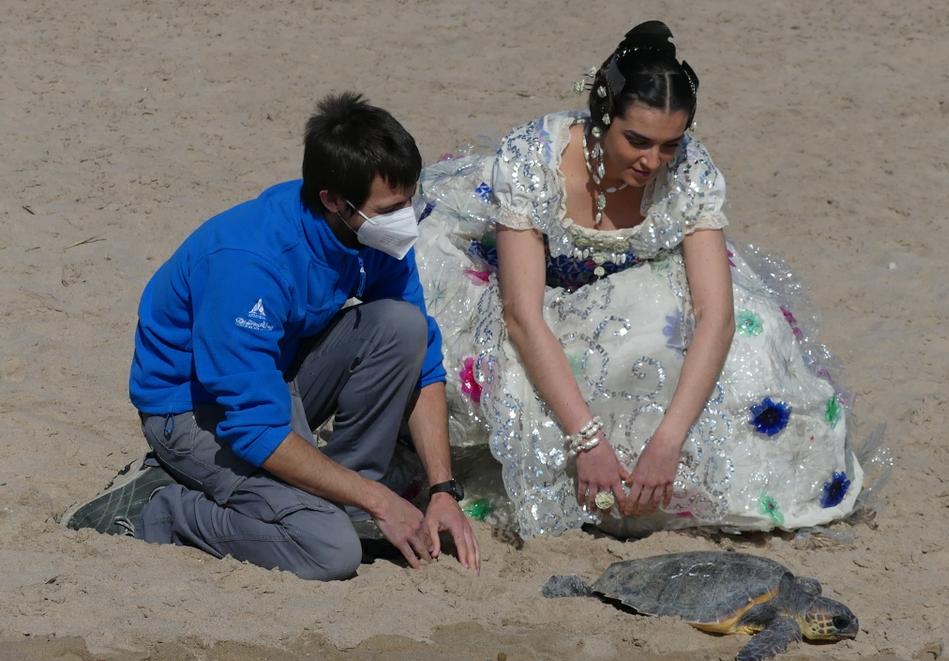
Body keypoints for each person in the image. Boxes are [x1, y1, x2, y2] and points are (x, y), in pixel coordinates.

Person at [413, 21, 863, 539]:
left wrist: (668, 442)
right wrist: (588, 441)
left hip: (632, 291)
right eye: (637, 141)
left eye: (670, 145)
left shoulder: (690, 173)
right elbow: (521, 315)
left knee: (751, 337)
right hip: (530, 295)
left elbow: (716, 317)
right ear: (603, 116)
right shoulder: (534, 161)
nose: (653, 161)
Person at [64, 92, 480, 579]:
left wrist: (442, 491)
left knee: (403, 327)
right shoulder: (250, 263)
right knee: (330, 552)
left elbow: (424, 362)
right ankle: (155, 505)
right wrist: (381, 502)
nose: (404, 218)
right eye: (390, 208)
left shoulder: (368, 231)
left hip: (273, 376)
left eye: (409, 200)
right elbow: (254, 427)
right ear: (331, 200)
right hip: (191, 409)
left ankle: (340, 499)